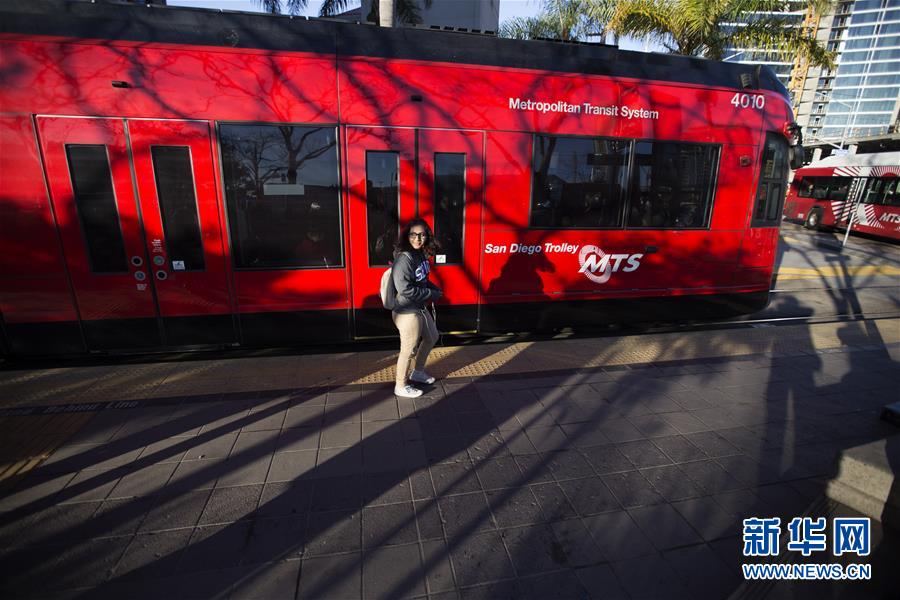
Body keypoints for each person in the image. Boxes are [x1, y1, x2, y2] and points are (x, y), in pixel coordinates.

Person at [391, 218, 442, 398]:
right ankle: (401, 385)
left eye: (422, 235)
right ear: (407, 236)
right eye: (413, 235)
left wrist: (434, 289)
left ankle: (418, 372)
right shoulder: (404, 259)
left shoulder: (420, 254)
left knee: (432, 336)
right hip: (406, 310)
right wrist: (430, 294)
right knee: (409, 349)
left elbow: (422, 279)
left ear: (427, 236)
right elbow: (404, 289)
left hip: (418, 307)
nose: (418, 239)